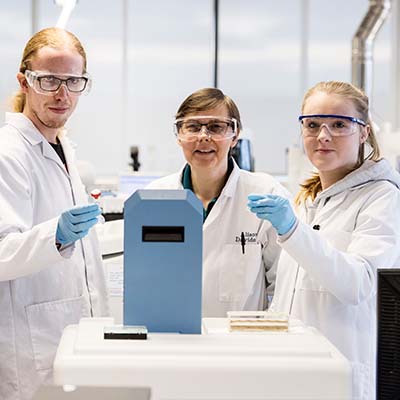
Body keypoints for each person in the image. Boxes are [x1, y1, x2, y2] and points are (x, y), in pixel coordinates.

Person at [248, 81, 400, 400]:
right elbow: (288, 293)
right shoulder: (307, 199)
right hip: (291, 370)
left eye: (339, 124)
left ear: (364, 132)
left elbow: (358, 284)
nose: (323, 135)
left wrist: (292, 230)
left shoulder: (383, 197)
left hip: (340, 375)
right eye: (313, 124)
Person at [0, 27, 108, 400]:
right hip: (31, 344)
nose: (62, 94)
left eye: (73, 81)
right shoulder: (8, 153)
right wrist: (56, 236)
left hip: (72, 335)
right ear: (24, 82)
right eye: (49, 80)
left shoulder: (63, 146)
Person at [147, 88, 290, 317]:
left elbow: (283, 287)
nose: (204, 136)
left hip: (241, 336)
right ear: (179, 135)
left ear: (235, 136)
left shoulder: (265, 193)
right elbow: (144, 280)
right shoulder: (154, 197)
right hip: (171, 332)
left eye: (215, 127)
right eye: (193, 127)